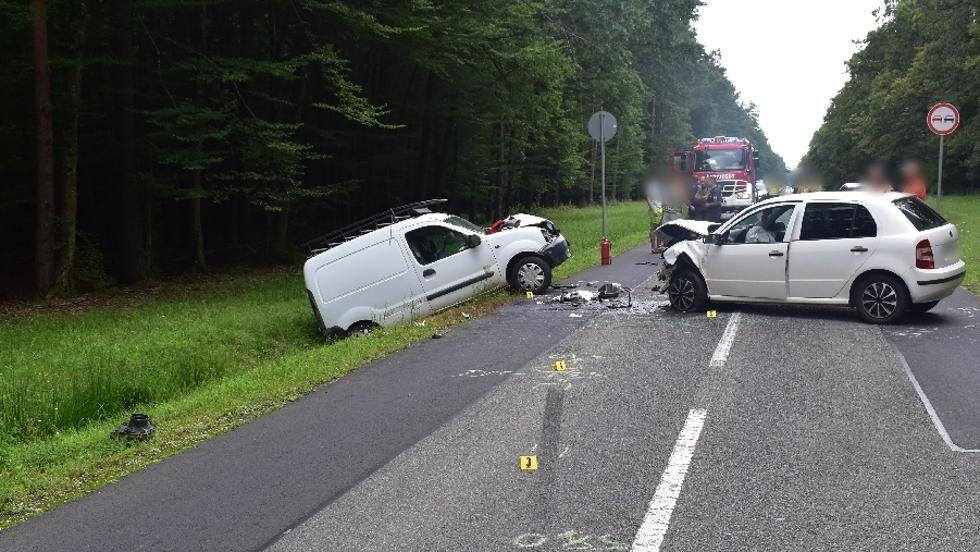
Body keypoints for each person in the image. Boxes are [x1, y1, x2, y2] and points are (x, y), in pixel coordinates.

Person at [645, 179, 665, 253]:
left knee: (660, 228)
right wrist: (652, 208)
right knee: (654, 228)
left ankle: (659, 246)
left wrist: (663, 207)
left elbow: (661, 199)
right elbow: (648, 198)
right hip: (654, 209)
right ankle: (653, 247)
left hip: (660, 209)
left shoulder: (660, 187)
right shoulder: (651, 186)